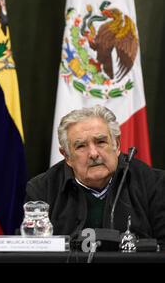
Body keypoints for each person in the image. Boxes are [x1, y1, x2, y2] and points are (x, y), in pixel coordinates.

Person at [26, 105, 165, 246]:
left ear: (116, 145)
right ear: (67, 156)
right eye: (81, 146)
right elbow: (30, 249)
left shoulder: (153, 184)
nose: (93, 153)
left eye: (101, 142)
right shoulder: (42, 190)